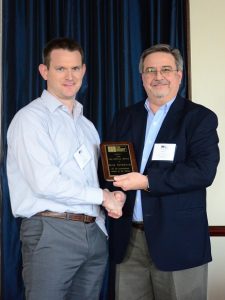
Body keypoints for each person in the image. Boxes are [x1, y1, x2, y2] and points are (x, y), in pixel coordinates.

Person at [6, 37, 126, 300]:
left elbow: (96, 180)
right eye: (61, 69)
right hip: (52, 229)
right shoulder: (30, 119)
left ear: (83, 71)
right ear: (44, 71)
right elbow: (45, 182)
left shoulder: (87, 126)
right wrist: (102, 197)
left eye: (75, 68)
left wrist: (115, 195)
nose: (69, 76)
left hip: (93, 231)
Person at [107, 44, 220, 300]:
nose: (158, 76)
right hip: (129, 242)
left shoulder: (199, 118)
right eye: (151, 70)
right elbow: (113, 166)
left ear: (179, 75)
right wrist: (117, 193)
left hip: (179, 241)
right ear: (142, 77)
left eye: (166, 69)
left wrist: (146, 181)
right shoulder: (125, 117)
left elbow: (203, 172)